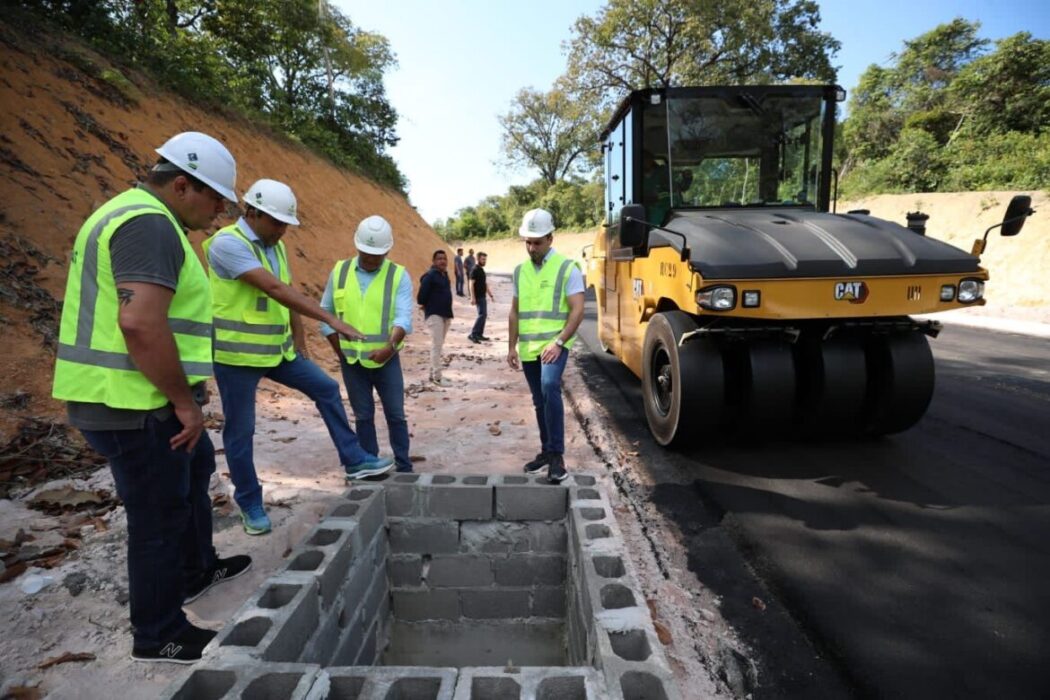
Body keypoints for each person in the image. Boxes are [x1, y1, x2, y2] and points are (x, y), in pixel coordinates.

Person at [52, 132, 250, 663]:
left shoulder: (133, 213)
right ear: (182, 185)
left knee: (196, 467)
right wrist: (184, 403)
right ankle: (158, 631)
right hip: (131, 402)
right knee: (157, 516)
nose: (220, 212)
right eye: (216, 200)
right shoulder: (150, 224)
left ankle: (196, 569)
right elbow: (140, 323)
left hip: (138, 396)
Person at [204, 179, 393, 536]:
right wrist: (330, 319)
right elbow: (273, 288)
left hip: (277, 351)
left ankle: (354, 460)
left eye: (286, 224)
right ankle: (250, 502)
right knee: (241, 432)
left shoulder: (276, 247)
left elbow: (284, 293)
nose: (283, 231)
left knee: (324, 387)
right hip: (236, 356)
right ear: (253, 212)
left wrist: (300, 344)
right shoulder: (227, 244)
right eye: (277, 223)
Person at [322, 215, 414, 473]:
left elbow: (404, 317)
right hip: (351, 362)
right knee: (363, 417)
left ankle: (404, 467)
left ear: (388, 250)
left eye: (378, 254)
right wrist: (337, 348)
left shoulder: (398, 276)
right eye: (367, 253)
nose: (372, 259)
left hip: (387, 360)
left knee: (396, 414)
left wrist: (389, 348)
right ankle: (370, 465)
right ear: (357, 246)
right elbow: (325, 314)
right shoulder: (339, 272)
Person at [507, 209, 585, 484]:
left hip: (555, 345)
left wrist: (559, 342)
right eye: (527, 242)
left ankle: (557, 458)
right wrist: (510, 347)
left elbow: (577, 310)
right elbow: (515, 312)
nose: (531, 247)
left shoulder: (568, 268)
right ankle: (546, 451)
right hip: (529, 348)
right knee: (539, 401)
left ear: (551, 239)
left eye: (537, 242)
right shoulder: (519, 272)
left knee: (550, 387)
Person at [417, 249, 454, 385]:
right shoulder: (430, 275)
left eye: (444, 258)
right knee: (436, 346)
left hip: (445, 315)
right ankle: (437, 377)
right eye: (439, 258)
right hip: (435, 315)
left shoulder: (444, 275)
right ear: (433, 261)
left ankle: (433, 374)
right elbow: (420, 298)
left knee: (438, 346)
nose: (442, 261)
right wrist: (428, 306)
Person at [467, 251, 494, 343]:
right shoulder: (474, 269)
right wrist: (472, 297)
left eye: (485, 259)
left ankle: (479, 334)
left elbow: (484, 283)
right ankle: (473, 334)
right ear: (478, 259)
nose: (484, 261)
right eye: (483, 259)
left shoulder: (481, 270)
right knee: (481, 315)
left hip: (483, 296)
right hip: (478, 296)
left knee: (483, 315)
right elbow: (471, 284)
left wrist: (490, 294)